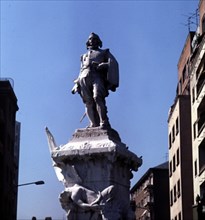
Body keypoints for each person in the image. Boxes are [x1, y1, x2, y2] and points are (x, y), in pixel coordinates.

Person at [72, 33, 119, 128]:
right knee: (88, 102)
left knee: (97, 97)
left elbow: (113, 63)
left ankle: (103, 122)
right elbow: (81, 69)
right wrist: (76, 83)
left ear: (98, 41)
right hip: (84, 77)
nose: (92, 41)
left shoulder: (104, 52)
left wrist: (104, 65)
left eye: (94, 39)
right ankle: (92, 123)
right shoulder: (84, 56)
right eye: (90, 39)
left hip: (97, 76)